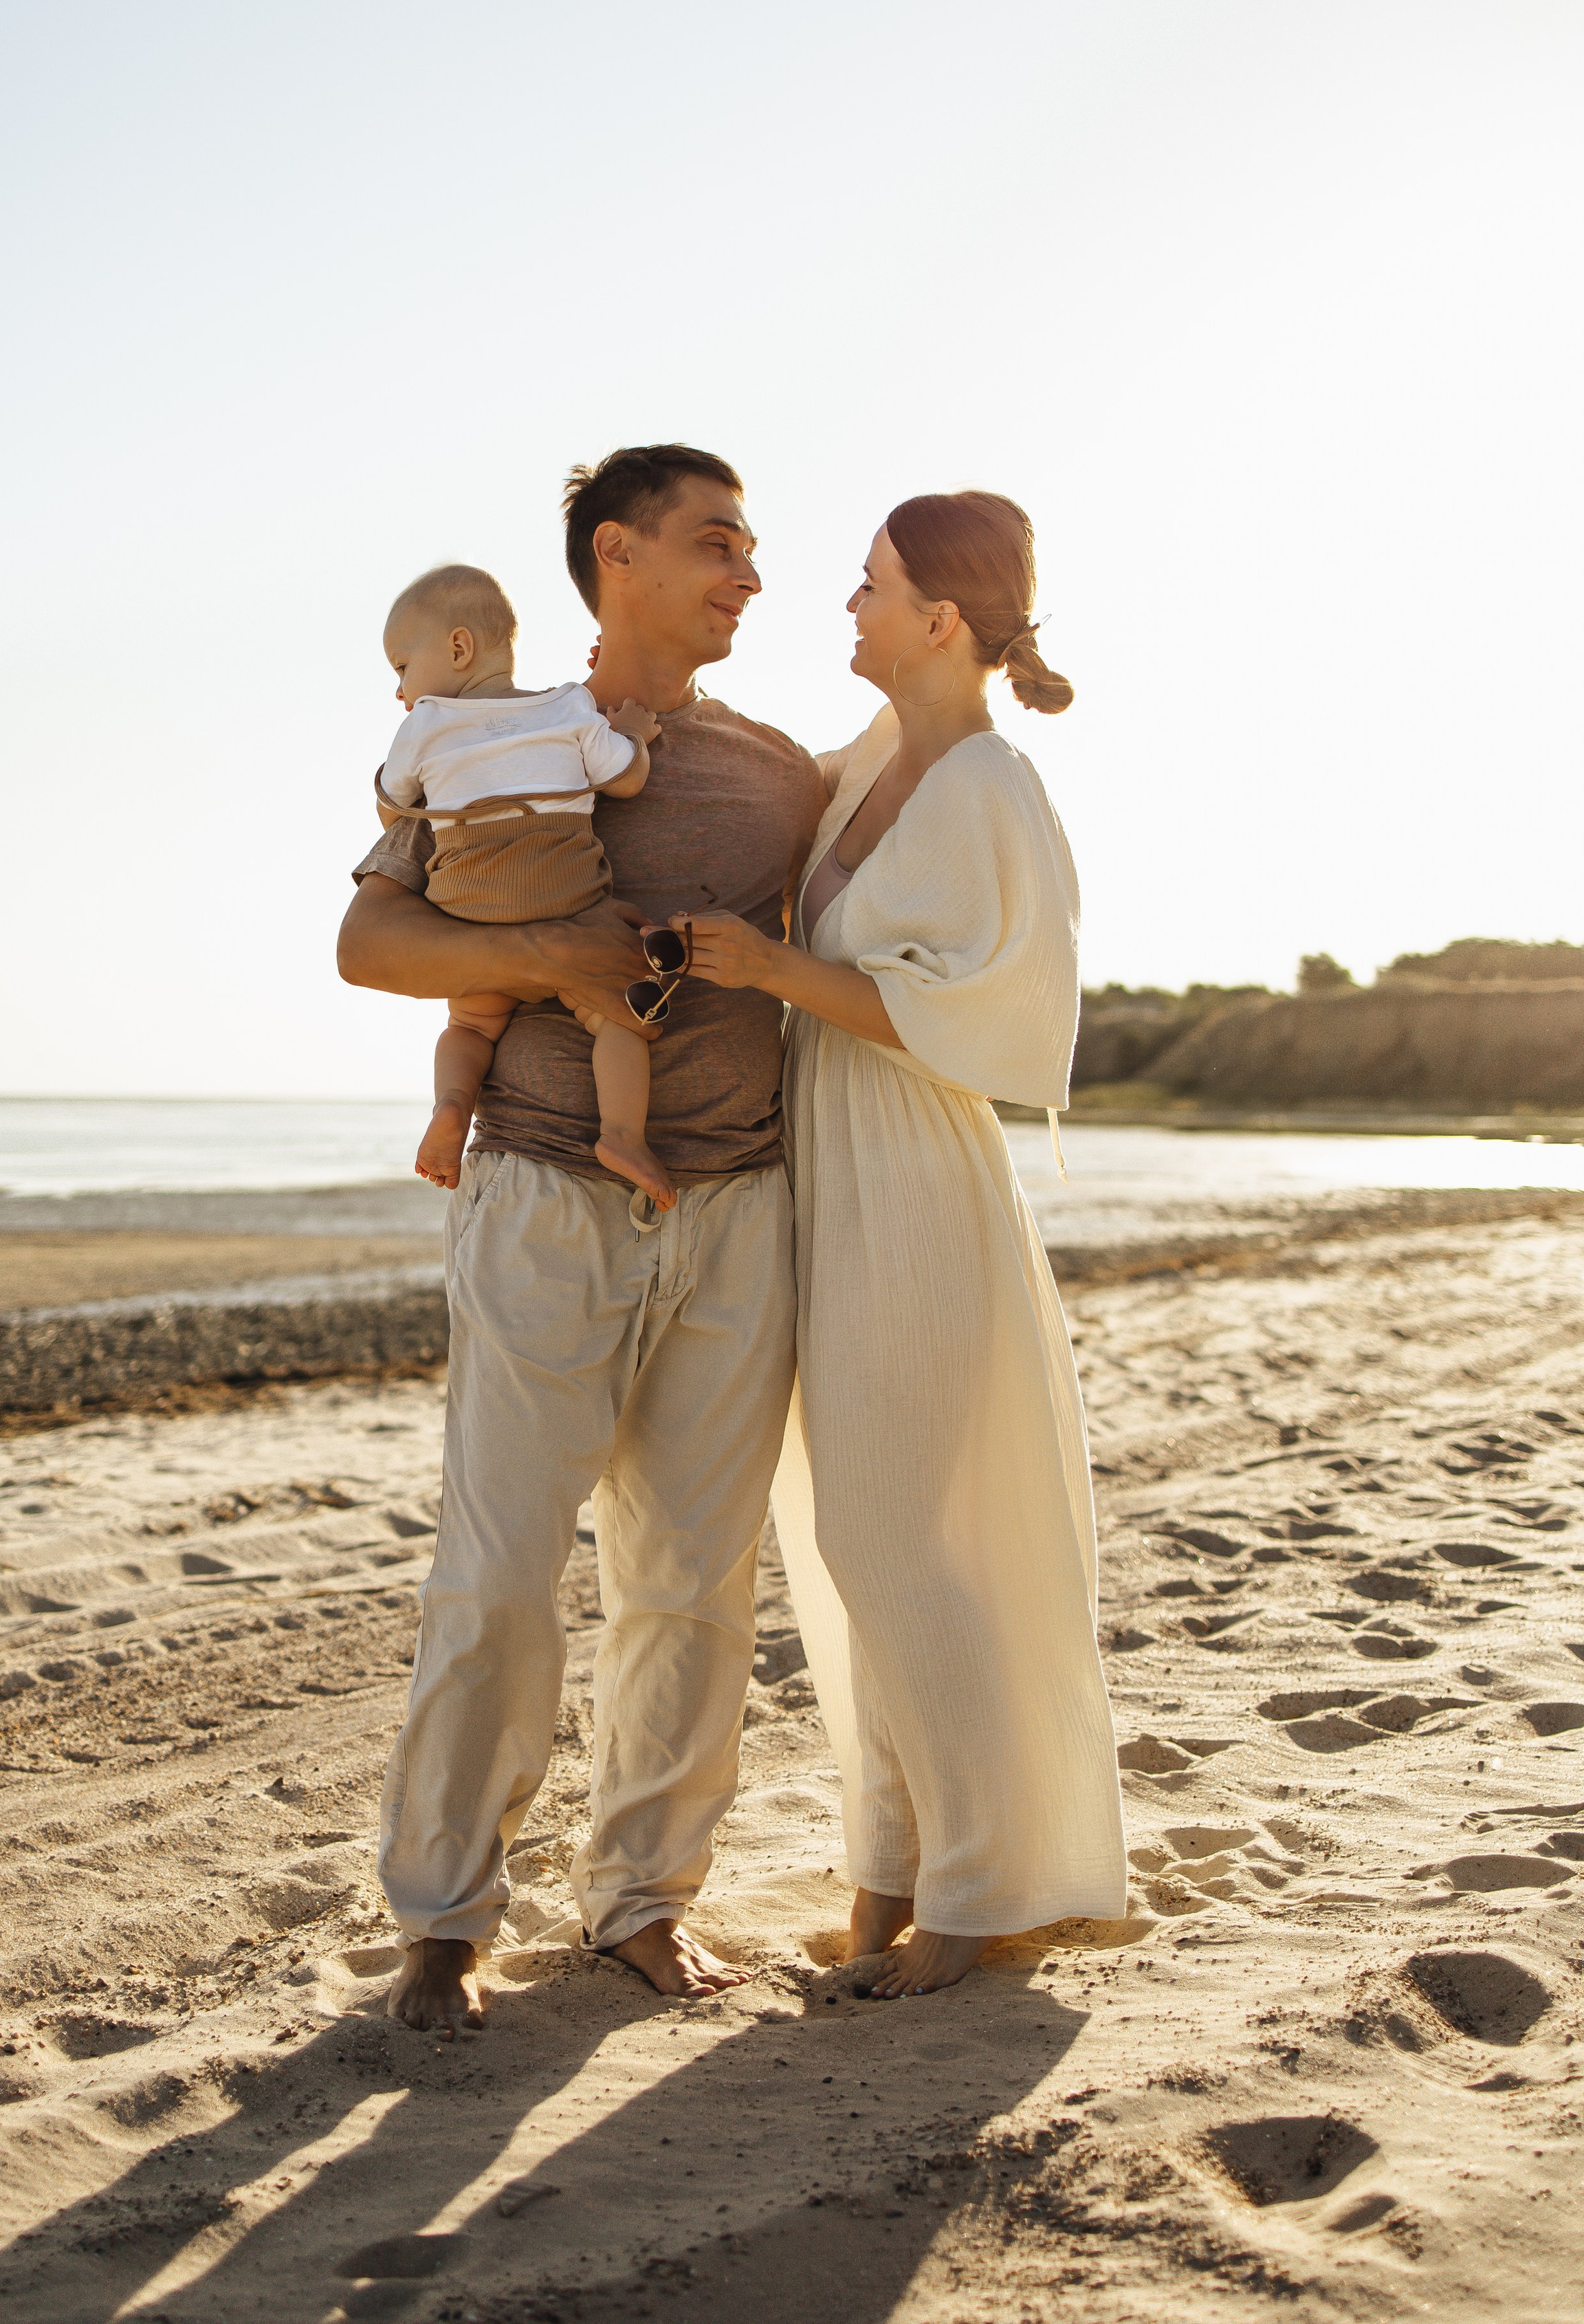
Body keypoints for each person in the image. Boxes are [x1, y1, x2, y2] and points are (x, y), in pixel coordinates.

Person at [336, 446, 826, 2032]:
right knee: (495, 1577)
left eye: (751, 547)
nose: (746, 572)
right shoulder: (486, 732)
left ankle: (639, 1903)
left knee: (690, 1580)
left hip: (737, 1204)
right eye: (715, 542)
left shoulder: (784, 775)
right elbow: (370, 939)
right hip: (543, 1189)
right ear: (615, 553)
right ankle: (440, 1915)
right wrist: (555, 946)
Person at [683, 490, 1128, 1998]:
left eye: (869, 588)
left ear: (943, 620)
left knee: (891, 1530)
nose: (848, 610)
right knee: (844, 1534)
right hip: (821, 1162)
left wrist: (773, 971)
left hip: (916, 1175)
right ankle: (891, 1875)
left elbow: (1001, 1027)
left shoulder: (993, 786)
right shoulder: (871, 759)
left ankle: (977, 1897)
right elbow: (748, 792)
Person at [373, 560, 670, 1207]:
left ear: (458, 648)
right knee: (619, 1019)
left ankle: (453, 1105)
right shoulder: (568, 705)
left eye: (401, 668)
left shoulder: (422, 726)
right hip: (567, 899)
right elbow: (625, 779)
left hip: (471, 913)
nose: (399, 691)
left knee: (470, 1030)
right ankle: (622, 1134)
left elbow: (394, 808)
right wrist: (637, 736)